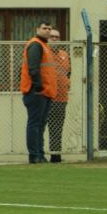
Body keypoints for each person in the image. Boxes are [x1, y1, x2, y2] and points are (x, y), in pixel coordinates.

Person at [20, 22, 57, 164]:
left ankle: (40, 154)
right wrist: (38, 87)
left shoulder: (44, 46)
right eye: (44, 28)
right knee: (35, 123)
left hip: (45, 92)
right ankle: (34, 155)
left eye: (49, 28)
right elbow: (33, 68)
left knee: (40, 124)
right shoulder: (35, 45)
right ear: (37, 30)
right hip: (36, 92)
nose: (47, 31)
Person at [46, 28, 70, 163]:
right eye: (52, 37)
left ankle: (56, 156)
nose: (54, 39)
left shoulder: (65, 55)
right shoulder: (42, 53)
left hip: (61, 98)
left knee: (57, 128)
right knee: (40, 127)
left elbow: (68, 73)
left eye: (57, 37)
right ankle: (38, 155)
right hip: (46, 98)